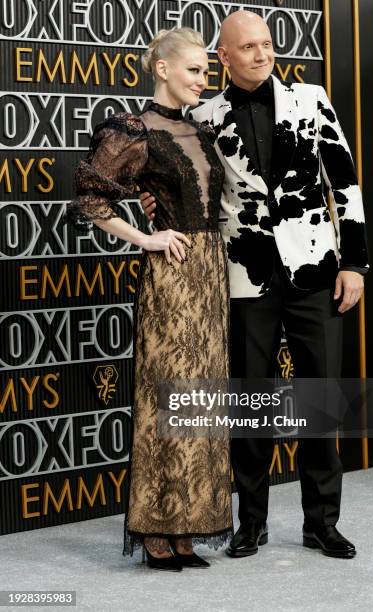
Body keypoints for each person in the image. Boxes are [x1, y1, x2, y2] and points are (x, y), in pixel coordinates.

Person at [140, 12, 369, 560]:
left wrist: (354, 264)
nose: (262, 54)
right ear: (224, 56)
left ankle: (322, 522)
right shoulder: (202, 114)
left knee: (319, 398)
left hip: (316, 270)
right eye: (249, 47)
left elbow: (346, 182)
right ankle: (251, 522)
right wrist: (154, 209)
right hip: (243, 274)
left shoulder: (312, 99)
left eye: (267, 44)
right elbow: (186, 187)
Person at [63, 27, 233, 571]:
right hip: (172, 277)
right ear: (163, 69)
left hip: (212, 275)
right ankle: (157, 531)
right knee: (166, 398)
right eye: (195, 71)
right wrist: (146, 236)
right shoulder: (131, 129)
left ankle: (186, 526)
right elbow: (89, 199)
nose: (204, 81)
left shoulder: (198, 129)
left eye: (206, 72)